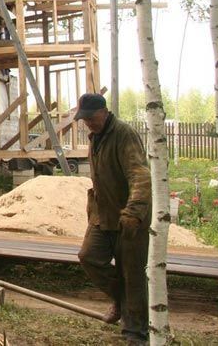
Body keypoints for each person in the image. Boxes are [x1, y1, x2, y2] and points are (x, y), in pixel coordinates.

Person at [75, 93, 151, 344]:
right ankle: (121, 300)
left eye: (91, 117)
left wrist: (134, 211)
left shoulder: (123, 134)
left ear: (104, 111)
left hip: (129, 218)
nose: (88, 123)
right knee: (89, 257)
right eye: (84, 119)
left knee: (133, 275)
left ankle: (135, 334)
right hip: (102, 214)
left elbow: (139, 174)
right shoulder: (95, 137)